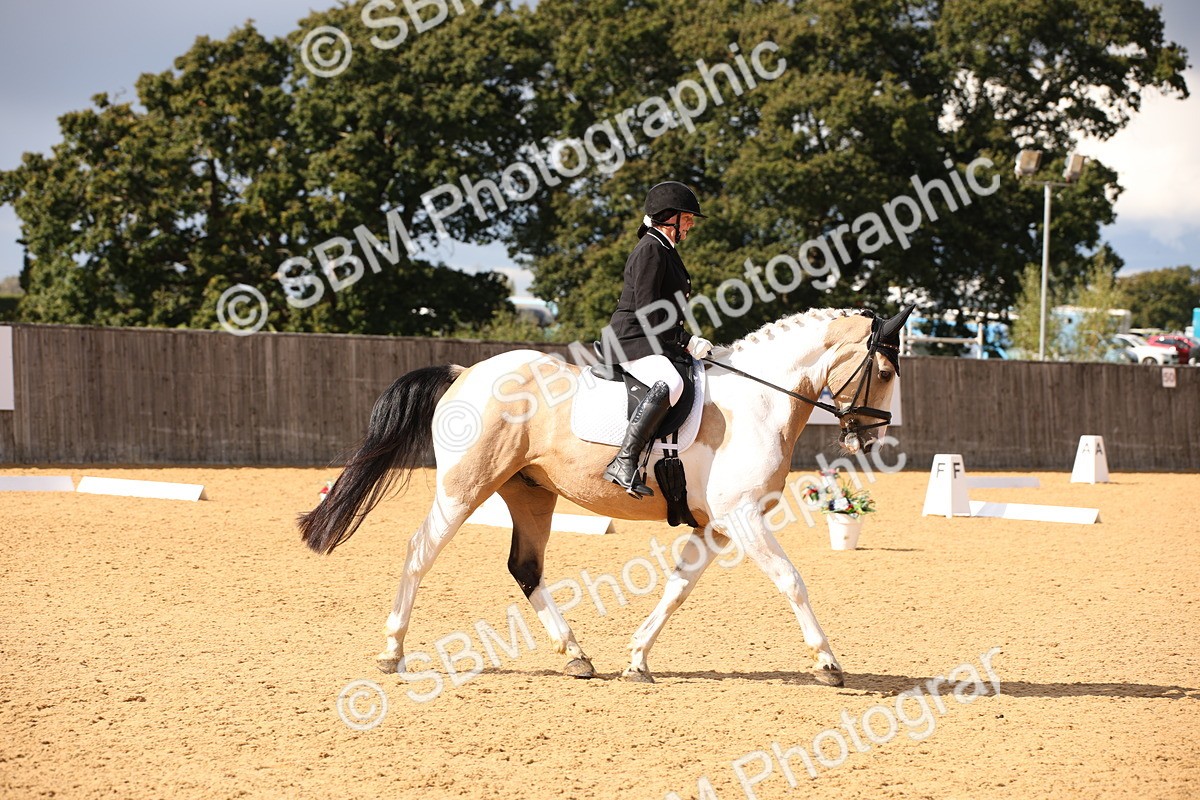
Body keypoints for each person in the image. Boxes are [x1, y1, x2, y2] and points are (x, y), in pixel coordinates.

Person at [603, 181, 714, 498]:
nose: (691, 224)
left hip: (651, 340)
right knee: (671, 382)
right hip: (633, 339)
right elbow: (651, 312)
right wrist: (687, 341)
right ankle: (624, 461)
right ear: (669, 217)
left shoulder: (663, 249)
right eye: (687, 218)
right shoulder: (652, 249)